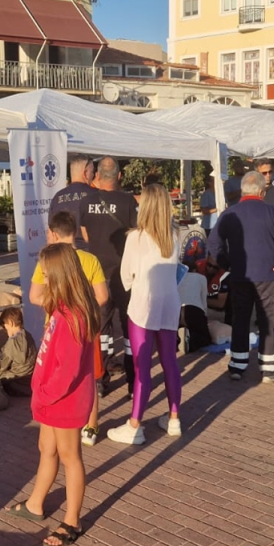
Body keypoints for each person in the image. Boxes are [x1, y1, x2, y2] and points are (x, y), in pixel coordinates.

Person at [5, 243, 100, 546]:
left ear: (59, 276)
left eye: (46, 275)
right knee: (46, 447)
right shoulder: (60, 309)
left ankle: (73, 519)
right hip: (49, 397)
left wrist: (44, 394)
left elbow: (68, 372)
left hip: (64, 399)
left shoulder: (74, 316)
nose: (42, 280)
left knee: (70, 456)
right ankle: (36, 503)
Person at [108, 183, 184, 445]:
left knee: (142, 367)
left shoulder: (135, 238)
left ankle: (135, 424)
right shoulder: (175, 235)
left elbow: (126, 276)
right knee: (169, 362)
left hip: (143, 306)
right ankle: (174, 418)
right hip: (169, 304)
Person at [207, 170, 274, 383]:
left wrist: (226, 263)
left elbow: (213, 243)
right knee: (267, 320)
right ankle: (268, 368)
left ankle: (238, 365)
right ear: (262, 192)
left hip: (240, 274)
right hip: (267, 274)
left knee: (240, 319)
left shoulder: (229, 214)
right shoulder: (273, 213)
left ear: (242, 191)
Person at [30, 211, 108, 445]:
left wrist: (60, 306)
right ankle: (91, 426)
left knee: (60, 375)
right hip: (88, 327)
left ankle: (66, 418)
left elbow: (35, 296)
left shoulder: (49, 260)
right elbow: (102, 296)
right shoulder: (90, 259)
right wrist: (84, 308)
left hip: (56, 329)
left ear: (53, 233)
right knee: (88, 376)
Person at [80, 157, 137, 395]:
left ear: (97, 176)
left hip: (97, 276)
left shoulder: (86, 201)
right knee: (128, 328)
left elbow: (85, 236)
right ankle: (134, 383)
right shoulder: (128, 201)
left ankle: (100, 380)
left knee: (101, 329)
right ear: (119, 176)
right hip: (124, 274)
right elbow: (136, 235)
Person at [47, 156, 95, 248]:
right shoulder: (96, 195)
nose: (93, 176)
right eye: (92, 172)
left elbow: (51, 233)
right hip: (89, 254)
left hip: (64, 254)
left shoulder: (57, 198)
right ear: (85, 173)